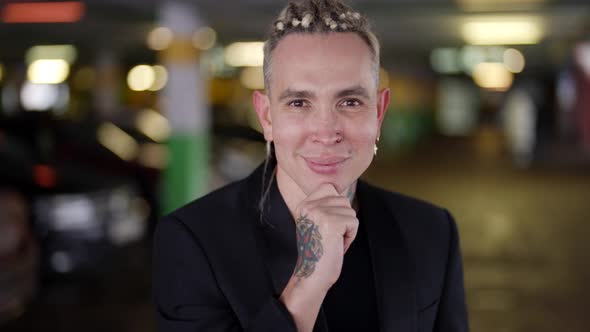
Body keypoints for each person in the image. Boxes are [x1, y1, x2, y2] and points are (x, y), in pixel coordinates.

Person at [152, 0, 469, 331]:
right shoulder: (193, 242)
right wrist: (308, 283)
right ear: (267, 117)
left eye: (350, 102)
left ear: (378, 113)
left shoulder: (432, 231)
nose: (326, 132)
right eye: (299, 103)